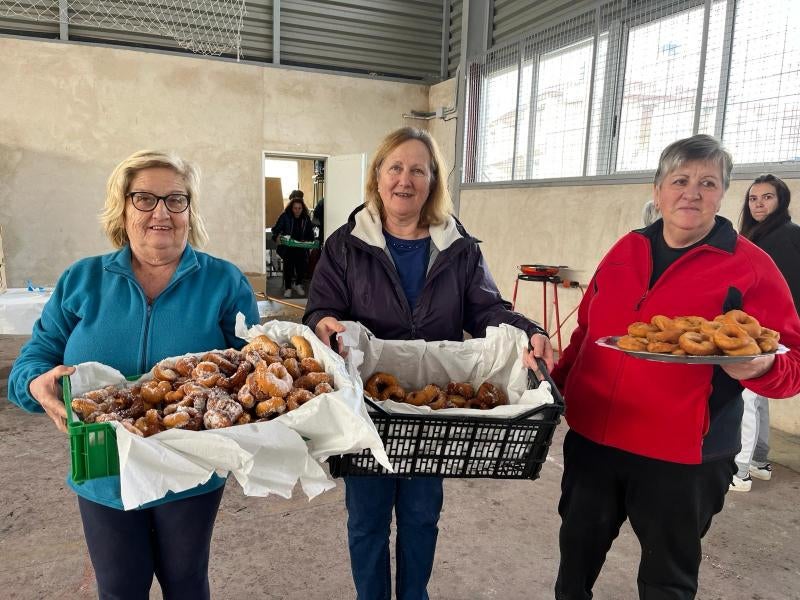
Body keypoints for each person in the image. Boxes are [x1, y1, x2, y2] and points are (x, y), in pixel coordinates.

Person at [303, 126, 553, 600]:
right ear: (377, 176)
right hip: (368, 410)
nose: (405, 179)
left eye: (418, 169)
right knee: (367, 520)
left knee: (421, 516)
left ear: (433, 180)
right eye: (394, 167)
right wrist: (326, 326)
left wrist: (527, 331)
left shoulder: (458, 246)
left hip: (435, 410)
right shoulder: (344, 245)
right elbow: (319, 310)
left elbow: (486, 309)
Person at [550, 135, 800, 599]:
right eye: (680, 180)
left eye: (707, 182)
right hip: (595, 443)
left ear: (723, 192)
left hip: (684, 456)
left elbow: (793, 361)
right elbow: (587, 332)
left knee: (667, 581)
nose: (692, 192)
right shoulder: (625, 250)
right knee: (575, 564)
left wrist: (759, 370)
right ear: (658, 189)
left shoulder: (750, 267)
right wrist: (553, 384)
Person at [7, 150, 260, 600]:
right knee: (120, 588)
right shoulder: (81, 280)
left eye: (175, 199)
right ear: (122, 207)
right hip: (102, 464)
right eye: (144, 198)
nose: (161, 212)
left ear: (190, 210)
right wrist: (35, 385)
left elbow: (251, 369)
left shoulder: (224, 282)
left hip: (192, 466)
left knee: (186, 583)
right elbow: (33, 361)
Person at [729, 174, 800, 491]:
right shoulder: (760, 235)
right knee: (758, 397)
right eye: (753, 198)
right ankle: (759, 461)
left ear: (781, 200)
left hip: (767, 332)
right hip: (769, 330)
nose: (759, 204)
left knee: (746, 395)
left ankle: (740, 470)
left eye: (767, 197)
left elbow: (778, 293)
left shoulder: (782, 238)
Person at [272, 190, 315, 298]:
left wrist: (309, 240)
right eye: (295, 208)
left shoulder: (306, 218)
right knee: (288, 267)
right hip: (288, 247)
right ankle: (288, 288)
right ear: (291, 208)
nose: (297, 211)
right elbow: (275, 229)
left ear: (302, 208)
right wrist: (277, 237)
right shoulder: (285, 216)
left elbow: (310, 234)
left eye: (299, 208)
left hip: (301, 247)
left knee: (302, 266)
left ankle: (298, 284)